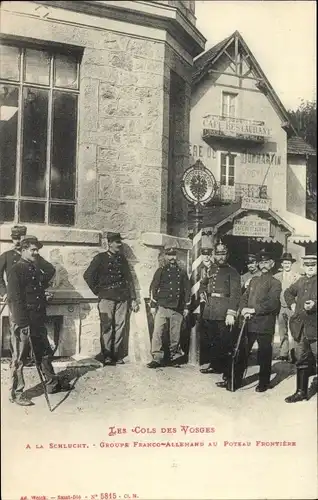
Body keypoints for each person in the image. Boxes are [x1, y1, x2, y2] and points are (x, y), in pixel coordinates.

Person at [6, 236, 71, 406]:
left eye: (37, 250)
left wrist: (44, 296)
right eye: (33, 250)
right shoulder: (16, 269)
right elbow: (14, 299)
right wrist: (22, 323)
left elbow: (35, 291)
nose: (36, 253)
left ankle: (51, 384)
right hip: (24, 321)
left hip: (37, 319)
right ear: (23, 250)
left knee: (44, 352)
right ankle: (17, 393)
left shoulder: (33, 269)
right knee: (19, 358)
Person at [83, 232, 139, 365]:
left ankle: (117, 355)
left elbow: (129, 279)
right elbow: (88, 275)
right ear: (109, 243)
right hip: (106, 297)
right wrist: (98, 291)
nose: (119, 245)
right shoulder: (100, 258)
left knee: (120, 325)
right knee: (107, 326)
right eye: (117, 242)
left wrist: (133, 298)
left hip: (122, 297)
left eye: (120, 242)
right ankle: (107, 355)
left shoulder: (122, 259)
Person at [234, 250, 281, 392]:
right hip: (249, 323)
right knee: (242, 353)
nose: (264, 265)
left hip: (265, 324)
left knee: (264, 355)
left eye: (266, 262)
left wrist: (253, 310)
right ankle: (235, 380)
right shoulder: (253, 281)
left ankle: (263, 383)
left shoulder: (275, 283)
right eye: (261, 262)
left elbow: (272, 304)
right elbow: (244, 297)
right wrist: (243, 309)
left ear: (272, 264)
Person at [199, 241, 241, 377]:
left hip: (224, 311)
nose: (220, 257)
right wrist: (202, 291)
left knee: (224, 341)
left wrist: (231, 313)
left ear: (227, 255)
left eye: (223, 254)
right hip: (210, 309)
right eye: (218, 254)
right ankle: (214, 365)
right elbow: (204, 284)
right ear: (214, 255)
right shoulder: (210, 270)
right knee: (212, 340)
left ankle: (226, 369)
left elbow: (235, 294)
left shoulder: (233, 272)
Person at [147, 246, 191, 368]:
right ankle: (157, 358)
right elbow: (153, 288)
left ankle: (174, 357)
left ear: (176, 256)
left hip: (177, 308)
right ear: (165, 256)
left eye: (173, 255)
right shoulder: (161, 271)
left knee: (175, 334)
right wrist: (153, 305)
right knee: (158, 333)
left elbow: (187, 290)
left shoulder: (182, 272)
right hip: (162, 306)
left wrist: (187, 306)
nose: (172, 258)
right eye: (169, 255)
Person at [284, 254, 317, 403]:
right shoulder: (301, 281)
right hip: (301, 328)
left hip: (315, 328)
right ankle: (300, 392)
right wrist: (292, 304)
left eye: (313, 265)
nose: (310, 267)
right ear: (304, 266)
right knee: (301, 359)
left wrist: (315, 304)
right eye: (308, 265)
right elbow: (287, 292)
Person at [0, 225, 56, 302]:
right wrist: (4, 292)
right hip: (14, 294)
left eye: (20, 238)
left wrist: (40, 283)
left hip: (32, 295)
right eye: (15, 238)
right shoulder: (6, 255)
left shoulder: (34, 255)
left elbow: (50, 270)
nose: (17, 241)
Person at [274, 252, 300, 361]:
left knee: (293, 330)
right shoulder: (276, 277)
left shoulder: (297, 277)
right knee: (282, 330)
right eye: (285, 263)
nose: (286, 265)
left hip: (292, 307)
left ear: (291, 264)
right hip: (280, 307)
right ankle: (283, 353)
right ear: (282, 264)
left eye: (288, 263)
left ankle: (294, 354)